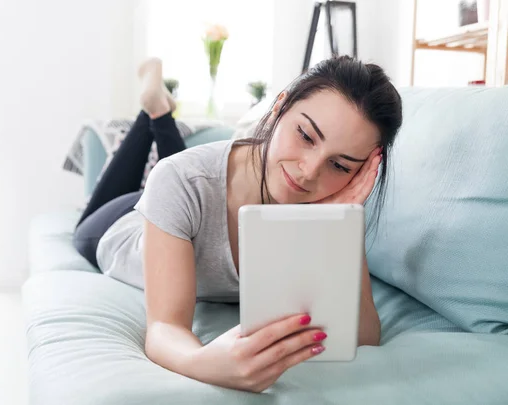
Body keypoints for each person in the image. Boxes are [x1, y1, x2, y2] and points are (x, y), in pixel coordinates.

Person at [73, 56, 403, 393]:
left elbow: (364, 336)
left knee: (181, 181)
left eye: (339, 165)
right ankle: (153, 113)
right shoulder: (179, 181)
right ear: (279, 107)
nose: (310, 171)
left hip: (187, 199)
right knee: (168, 181)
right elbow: (163, 330)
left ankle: (157, 112)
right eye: (305, 135)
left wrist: (339, 227)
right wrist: (204, 363)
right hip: (117, 228)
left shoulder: (332, 202)